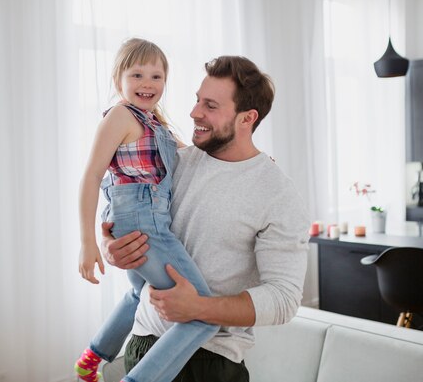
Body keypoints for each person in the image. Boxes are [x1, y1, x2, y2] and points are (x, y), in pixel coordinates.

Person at [101, 55, 310, 381]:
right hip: (142, 346)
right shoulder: (172, 162)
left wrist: (199, 308)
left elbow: (284, 299)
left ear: (247, 118)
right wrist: (109, 243)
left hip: (209, 364)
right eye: (198, 100)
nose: (194, 112)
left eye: (210, 105)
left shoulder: (277, 193)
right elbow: (119, 198)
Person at [75, 38, 219, 382]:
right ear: (118, 80)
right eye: (137, 74)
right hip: (144, 223)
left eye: (157, 76)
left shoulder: (155, 123)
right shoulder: (121, 116)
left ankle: (91, 357)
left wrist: (252, 161)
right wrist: (87, 242)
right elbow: (92, 175)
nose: (147, 84)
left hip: (146, 218)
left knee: (140, 293)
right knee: (204, 315)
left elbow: (194, 158)